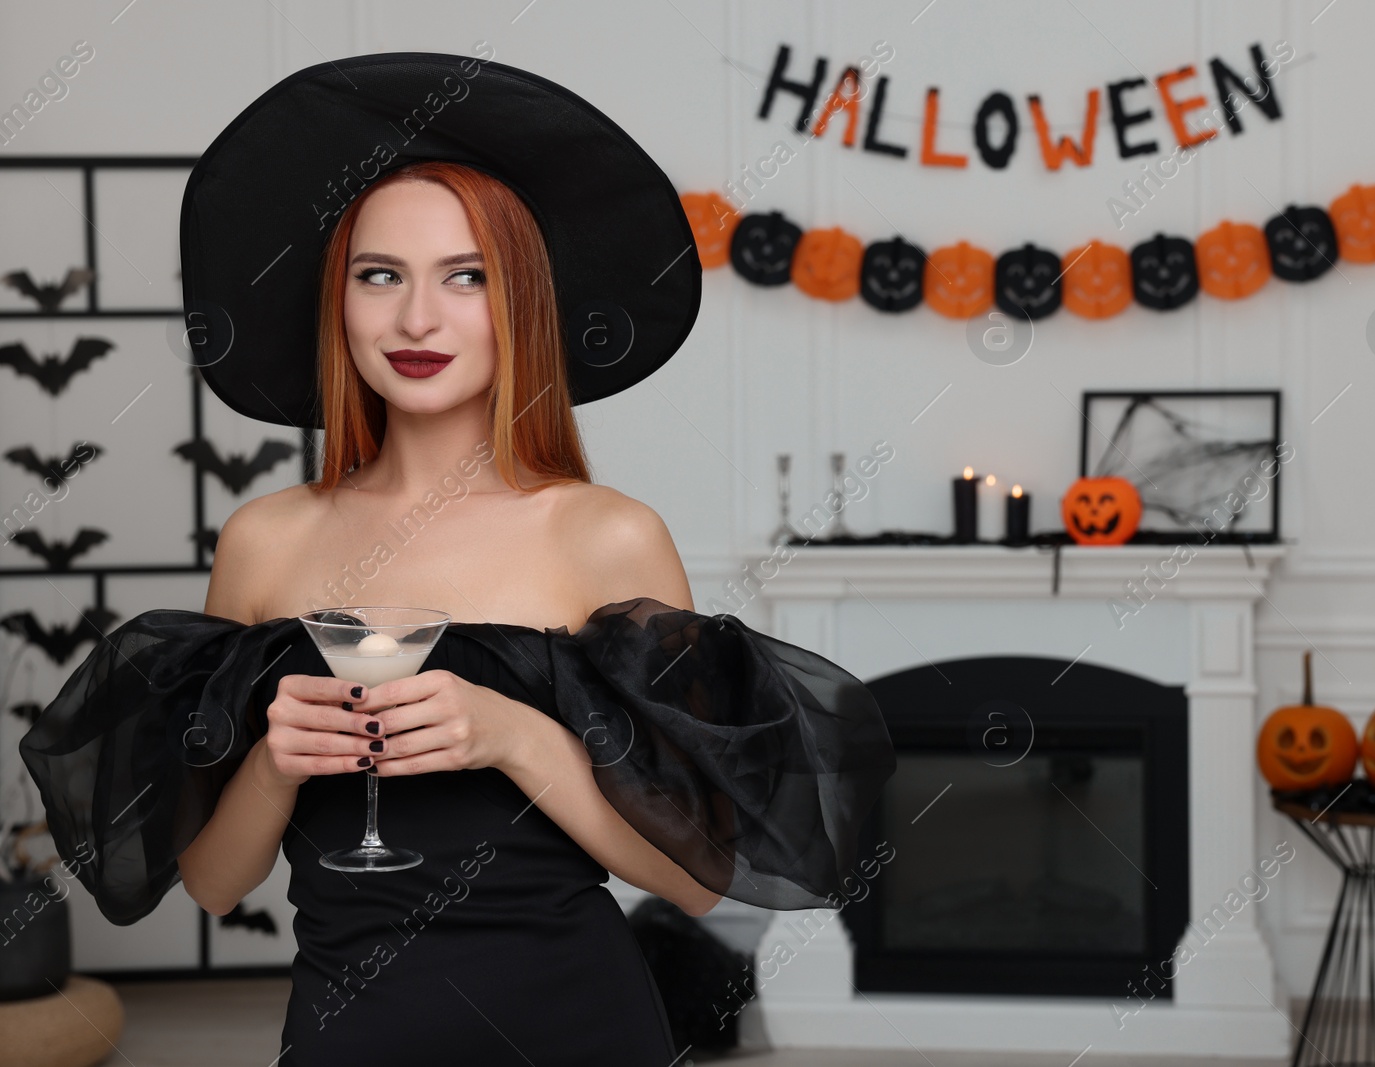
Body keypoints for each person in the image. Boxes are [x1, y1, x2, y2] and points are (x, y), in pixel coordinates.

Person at [19, 53, 895, 1066]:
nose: (416, 319)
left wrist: (515, 735)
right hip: (346, 1029)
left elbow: (693, 878)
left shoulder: (606, 535)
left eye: (465, 277)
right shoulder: (267, 540)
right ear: (336, 301)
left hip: (574, 1023)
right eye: (378, 275)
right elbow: (215, 882)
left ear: (519, 302)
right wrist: (273, 760)